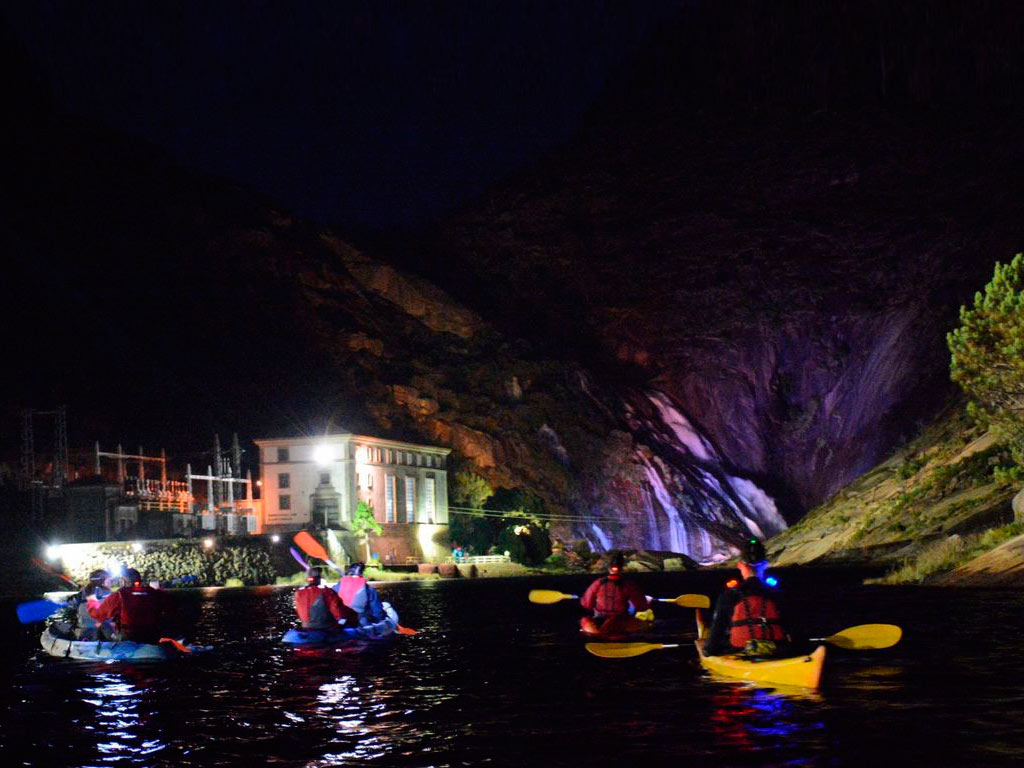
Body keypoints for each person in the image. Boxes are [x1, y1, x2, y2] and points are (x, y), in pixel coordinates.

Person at [702, 538, 791, 657]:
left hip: (740, 652)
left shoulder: (730, 594)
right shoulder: (776, 593)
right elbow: (795, 630)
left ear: (740, 565)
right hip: (777, 651)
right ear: (765, 565)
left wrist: (708, 651)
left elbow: (717, 631)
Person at [87, 568, 175, 643]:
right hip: (153, 635)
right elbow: (171, 609)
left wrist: (91, 602)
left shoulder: (119, 595)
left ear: (124, 581)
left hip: (128, 637)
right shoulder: (155, 593)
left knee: (103, 624)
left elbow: (98, 615)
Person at [579, 552, 650, 636]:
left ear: (608, 568)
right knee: (646, 624)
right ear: (622, 568)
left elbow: (587, 604)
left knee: (584, 621)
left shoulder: (598, 583)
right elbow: (641, 606)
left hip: (600, 621)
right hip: (621, 622)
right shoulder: (628, 585)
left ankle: (601, 633)